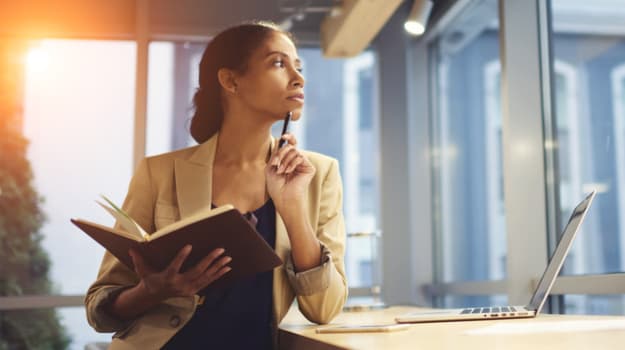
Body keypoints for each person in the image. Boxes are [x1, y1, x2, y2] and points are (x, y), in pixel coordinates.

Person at [84, 21, 348, 349]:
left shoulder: (318, 175)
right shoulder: (159, 173)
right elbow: (99, 307)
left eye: (298, 65)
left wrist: (292, 209)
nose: (299, 78)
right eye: (278, 63)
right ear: (230, 80)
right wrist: (151, 292)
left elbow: (325, 309)